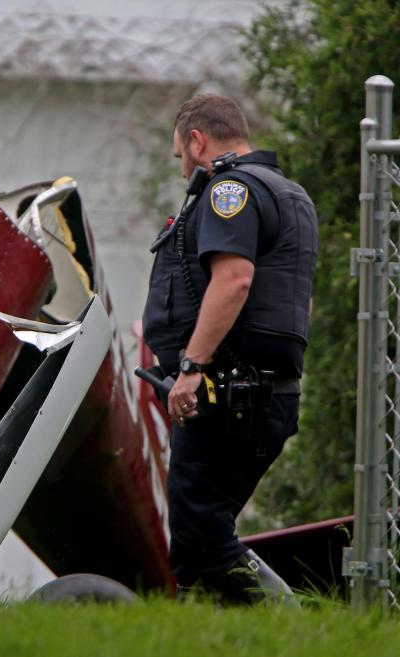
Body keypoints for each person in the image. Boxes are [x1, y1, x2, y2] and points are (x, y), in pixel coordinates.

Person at [141, 94, 318, 603]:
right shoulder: (291, 195)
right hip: (266, 395)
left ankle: (298, 627)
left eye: (180, 156)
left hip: (227, 396)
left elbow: (235, 280)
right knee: (203, 543)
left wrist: (192, 368)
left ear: (197, 141)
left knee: (202, 540)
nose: (181, 171)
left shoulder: (231, 190)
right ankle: (217, 636)